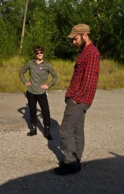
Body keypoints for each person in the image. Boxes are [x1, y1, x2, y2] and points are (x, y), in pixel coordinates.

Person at [54, 24, 100, 175]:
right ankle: (75, 160)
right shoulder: (83, 52)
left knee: (65, 130)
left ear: (84, 35)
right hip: (77, 97)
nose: (73, 42)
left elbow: (90, 79)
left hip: (79, 99)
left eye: (75, 38)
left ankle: (71, 163)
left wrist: (76, 98)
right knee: (77, 130)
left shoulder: (92, 53)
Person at [19, 46, 58, 140]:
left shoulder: (47, 65)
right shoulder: (30, 63)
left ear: (43, 53)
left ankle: (47, 131)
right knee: (32, 111)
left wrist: (48, 86)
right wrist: (25, 82)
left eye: (41, 52)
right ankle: (33, 129)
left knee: (45, 112)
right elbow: (21, 72)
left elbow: (55, 77)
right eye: (37, 53)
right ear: (35, 54)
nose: (40, 54)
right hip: (31, 91)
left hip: (41, 92)